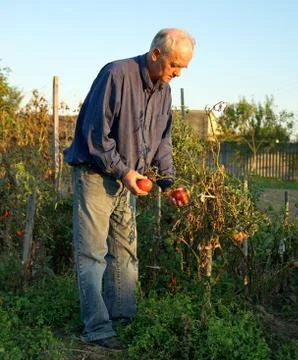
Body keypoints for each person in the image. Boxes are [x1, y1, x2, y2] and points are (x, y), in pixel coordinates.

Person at [64, 28, 195, 350]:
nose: (177, 73)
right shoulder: (116, 74)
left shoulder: (162, 90)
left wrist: (168, 182)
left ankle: (123, 320)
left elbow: (162, 141)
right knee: (92, 255)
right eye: (174, 65)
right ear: (155, 55)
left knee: (125, 254)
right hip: (95, 175)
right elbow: (96, 135)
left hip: (128, 179)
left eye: (183, 68)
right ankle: (96, 329)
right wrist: (125, 172)